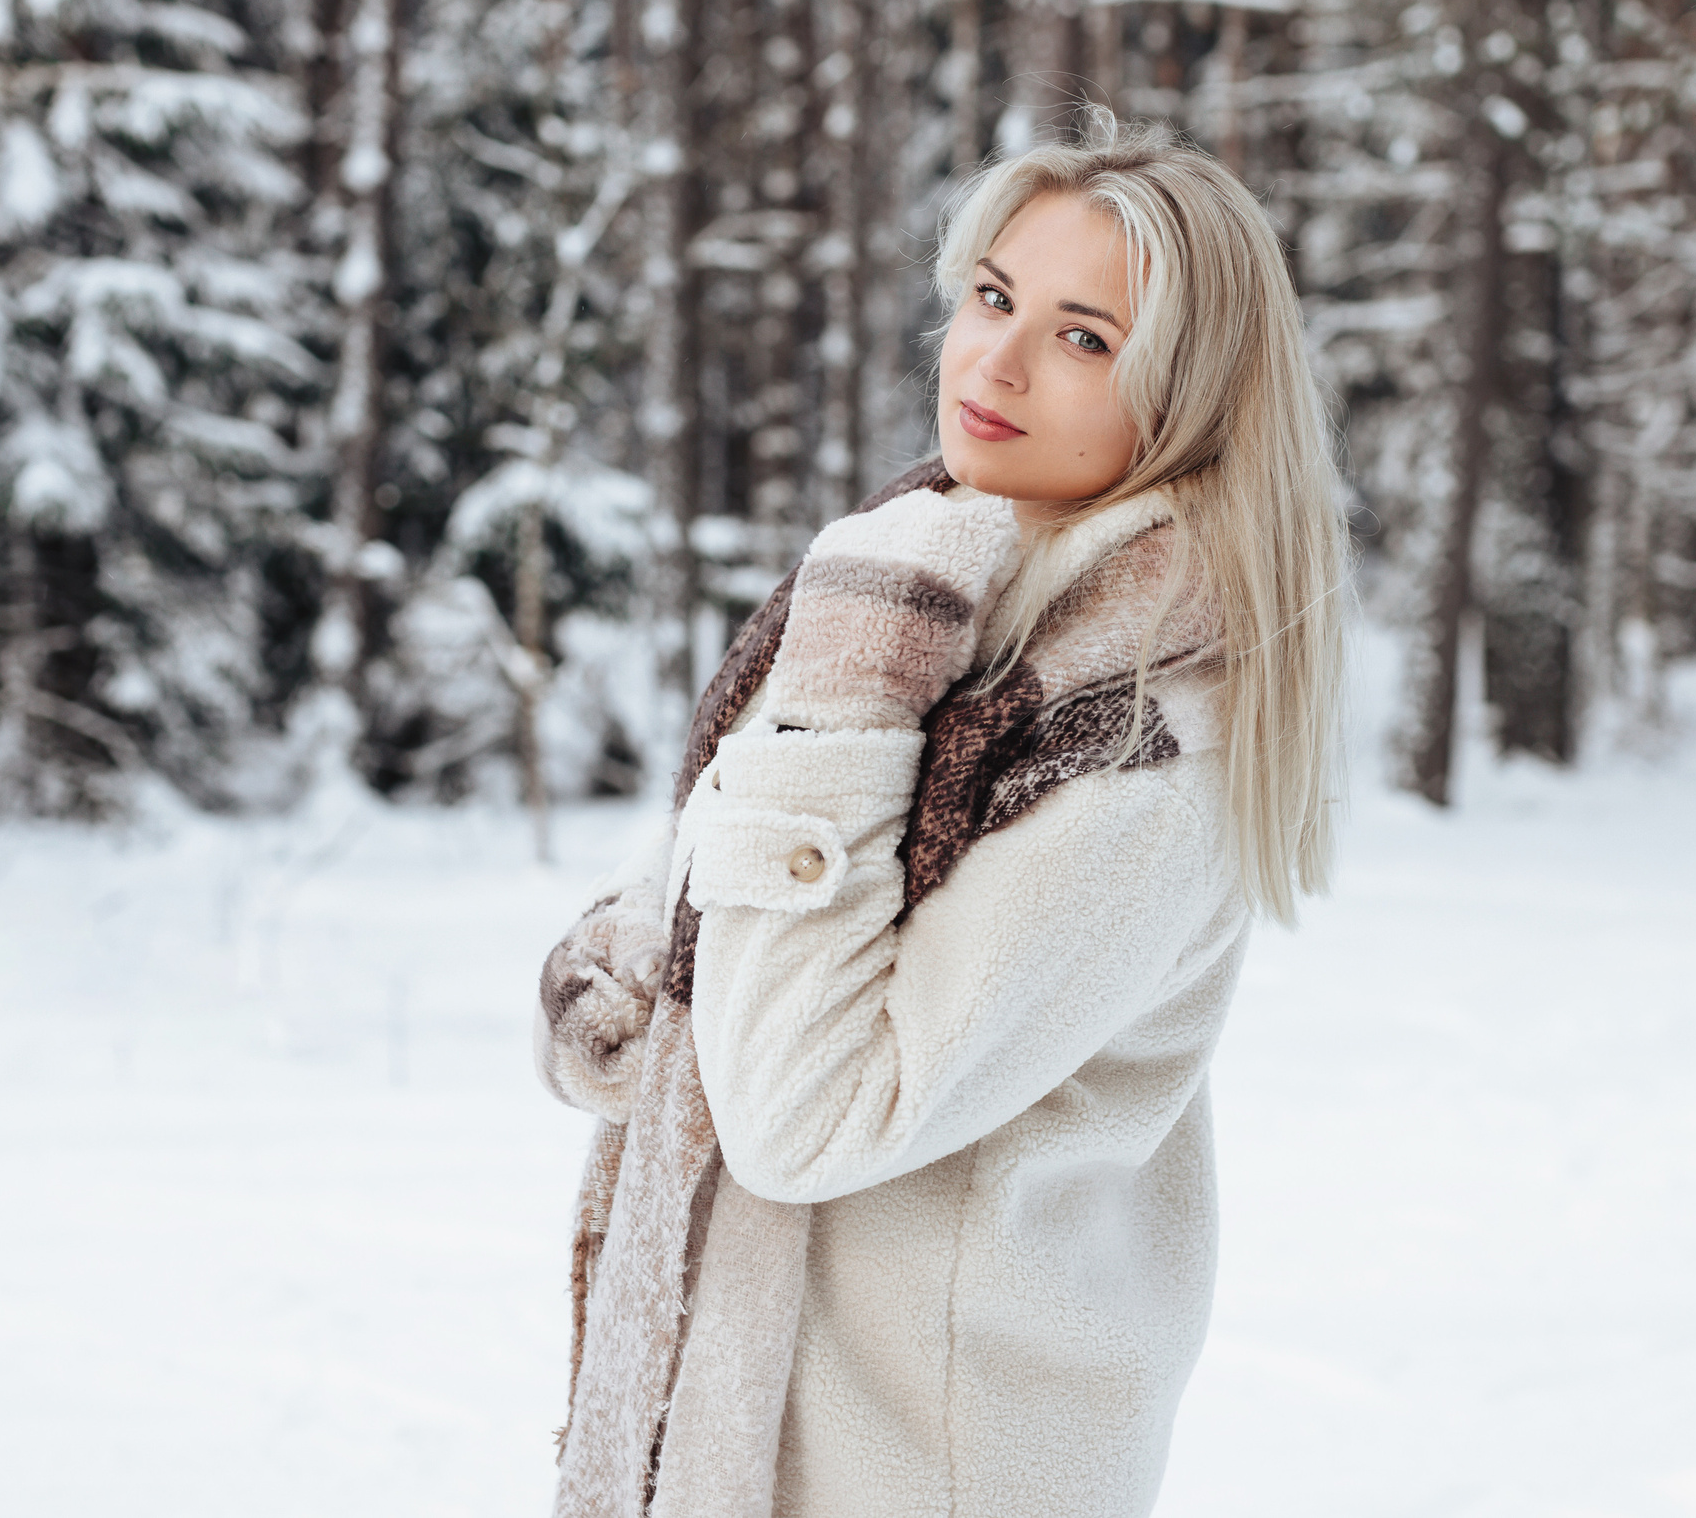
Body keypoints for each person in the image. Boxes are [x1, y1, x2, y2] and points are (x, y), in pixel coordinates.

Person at [536, 114, 1347, 1518]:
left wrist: (845, 693)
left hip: (921, 1466)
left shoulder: (1135, 752)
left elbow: (797, 1114)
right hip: (780, 1427)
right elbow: (683, 995)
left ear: (1188, 400)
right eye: (991, 297)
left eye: (1085, 338)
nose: (999, 361)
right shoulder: (945, 608)